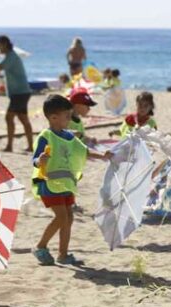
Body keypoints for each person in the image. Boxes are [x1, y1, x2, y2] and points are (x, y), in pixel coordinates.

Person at [31, 95, 111, 266]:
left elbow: (84, 152)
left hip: (66, 185)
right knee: (60, 217)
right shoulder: (46, 136)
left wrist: (103, 155)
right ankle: (41, 246)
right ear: (53, 118)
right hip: (50, 184)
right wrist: (40, 160)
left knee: (69, 217)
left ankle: (63, 254)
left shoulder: (69, 137)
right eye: (67, 116)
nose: (70, 119)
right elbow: (36, 158)